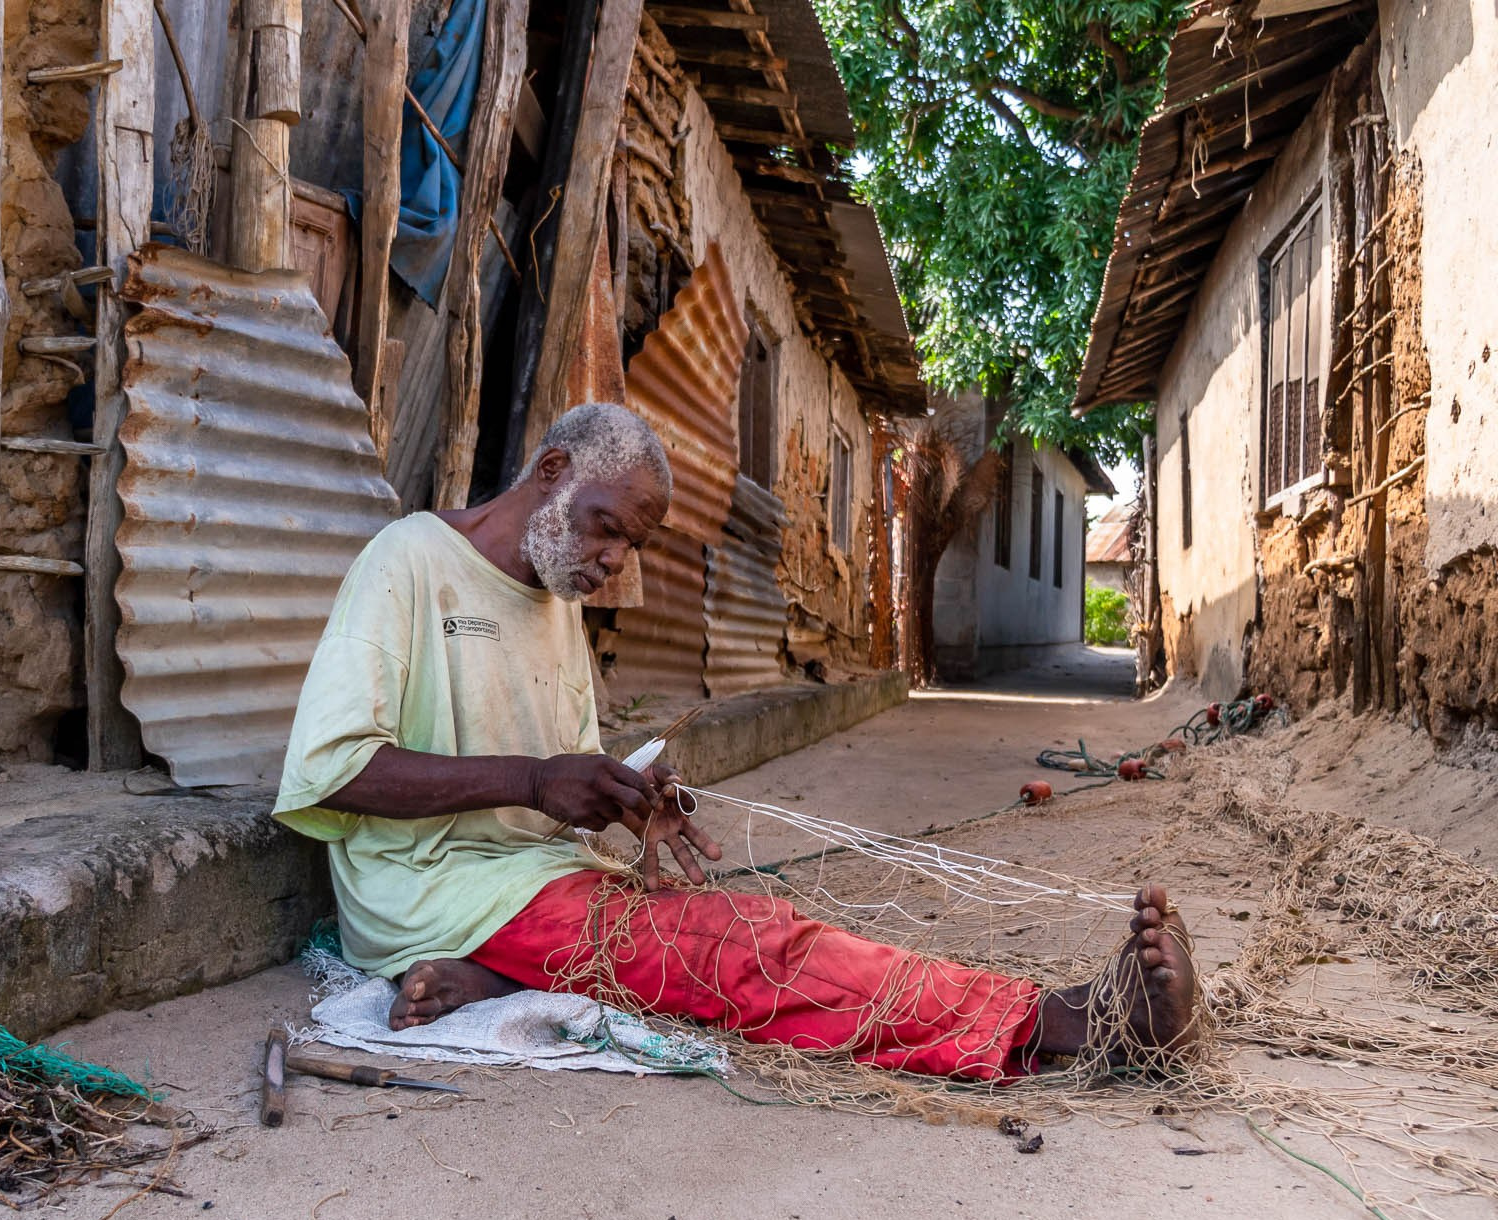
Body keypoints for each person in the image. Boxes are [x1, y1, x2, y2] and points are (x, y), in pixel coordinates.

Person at [274, 404, 1196, 1077]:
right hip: (427, 891)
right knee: (741, 944)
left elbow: (558, 785)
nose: (613, 561)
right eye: (606, 529)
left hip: (524, 881)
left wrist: (626, 795)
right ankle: (1064, 1023)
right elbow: (334, 770)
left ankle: (496, 976)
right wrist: (537, 779)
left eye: (631, 546)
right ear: (551, 471)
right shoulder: (408, 560)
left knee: (728, 934)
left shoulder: (556, 602)